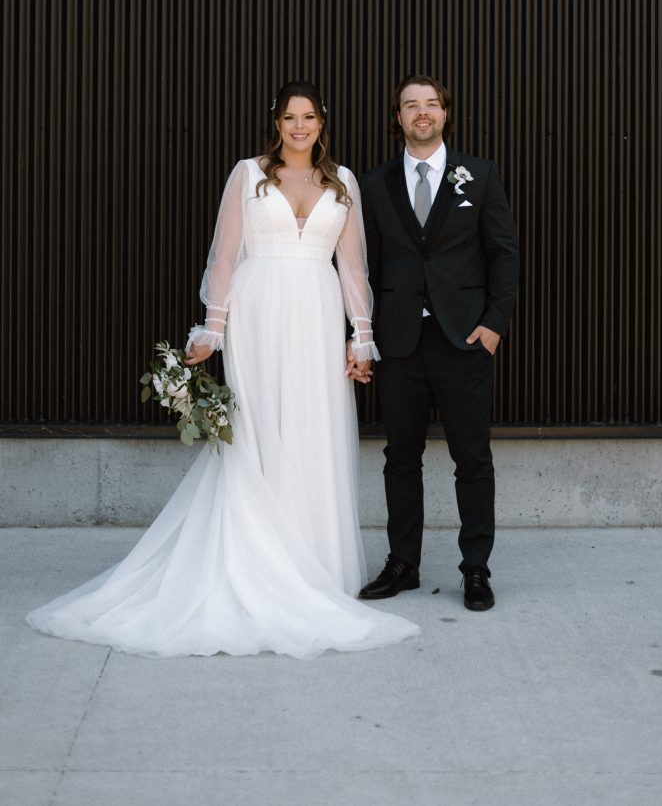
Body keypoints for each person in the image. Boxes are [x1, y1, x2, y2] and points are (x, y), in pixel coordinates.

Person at [26, 81, 419, 657]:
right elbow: (225, 253)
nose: (300, 127)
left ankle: (311, 567)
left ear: (322, 123)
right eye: (290, 118)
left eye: (309, 117)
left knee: (313, 431)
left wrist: (361, 336)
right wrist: (213, 327)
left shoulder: (345, 181)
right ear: (277, 123)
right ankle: (254, 561)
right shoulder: (248, 174)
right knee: (258, 432)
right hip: (258, 314)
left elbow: (353, 265)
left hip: (316, 309)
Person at [358, 75, 519, 610]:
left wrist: (493, 324)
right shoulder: (375, 184)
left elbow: (504, 254)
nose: (421, 113)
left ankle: (476, 567)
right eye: (410, 106)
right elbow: (366, 267)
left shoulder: (480, 175)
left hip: (464, 339)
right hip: (401, 341)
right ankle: (403, 563)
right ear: (398, 118)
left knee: (472, 458)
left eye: (431, 105)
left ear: (445, 114)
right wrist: (364, 334)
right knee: (400, 457)